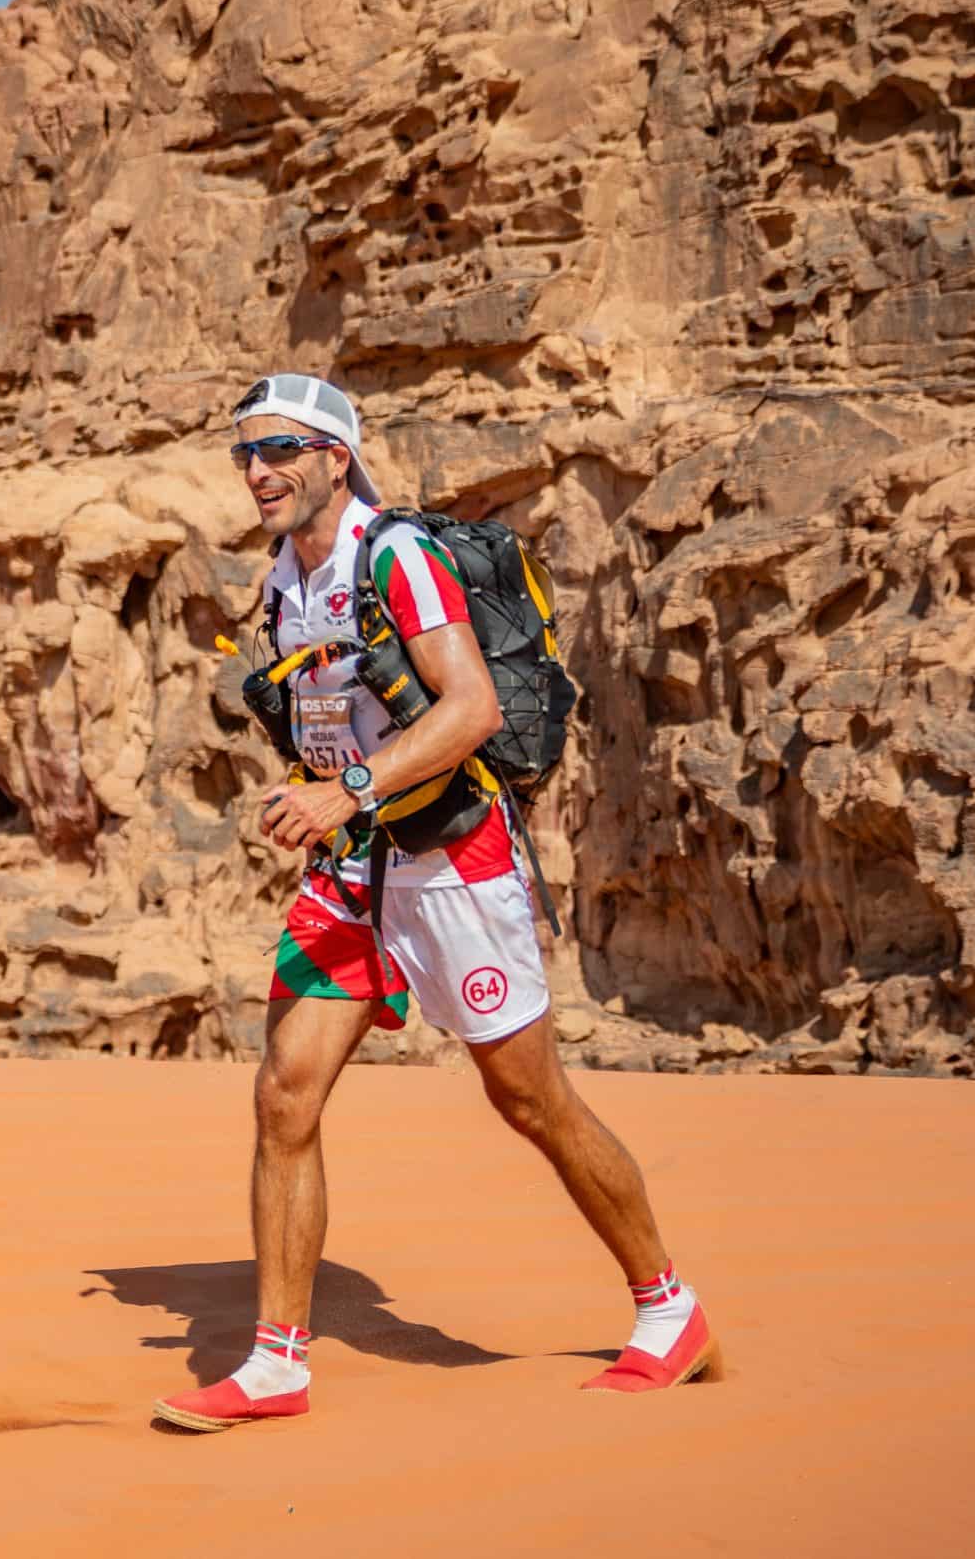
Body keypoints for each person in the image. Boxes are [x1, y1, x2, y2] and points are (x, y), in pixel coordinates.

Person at [153, 372, 721, 1434]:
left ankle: (668, 1308)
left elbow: (470, 708)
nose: (256, 471)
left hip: (449, 861)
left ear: (334, 456)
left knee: (529, 1100)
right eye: (243, 454)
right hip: (352, 870)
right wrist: (315, 787)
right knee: (285, 1095)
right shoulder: (283, 580)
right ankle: (276, 1361)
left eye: (277, 450)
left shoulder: (394, 556)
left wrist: (349, 789)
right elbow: (335, 714)